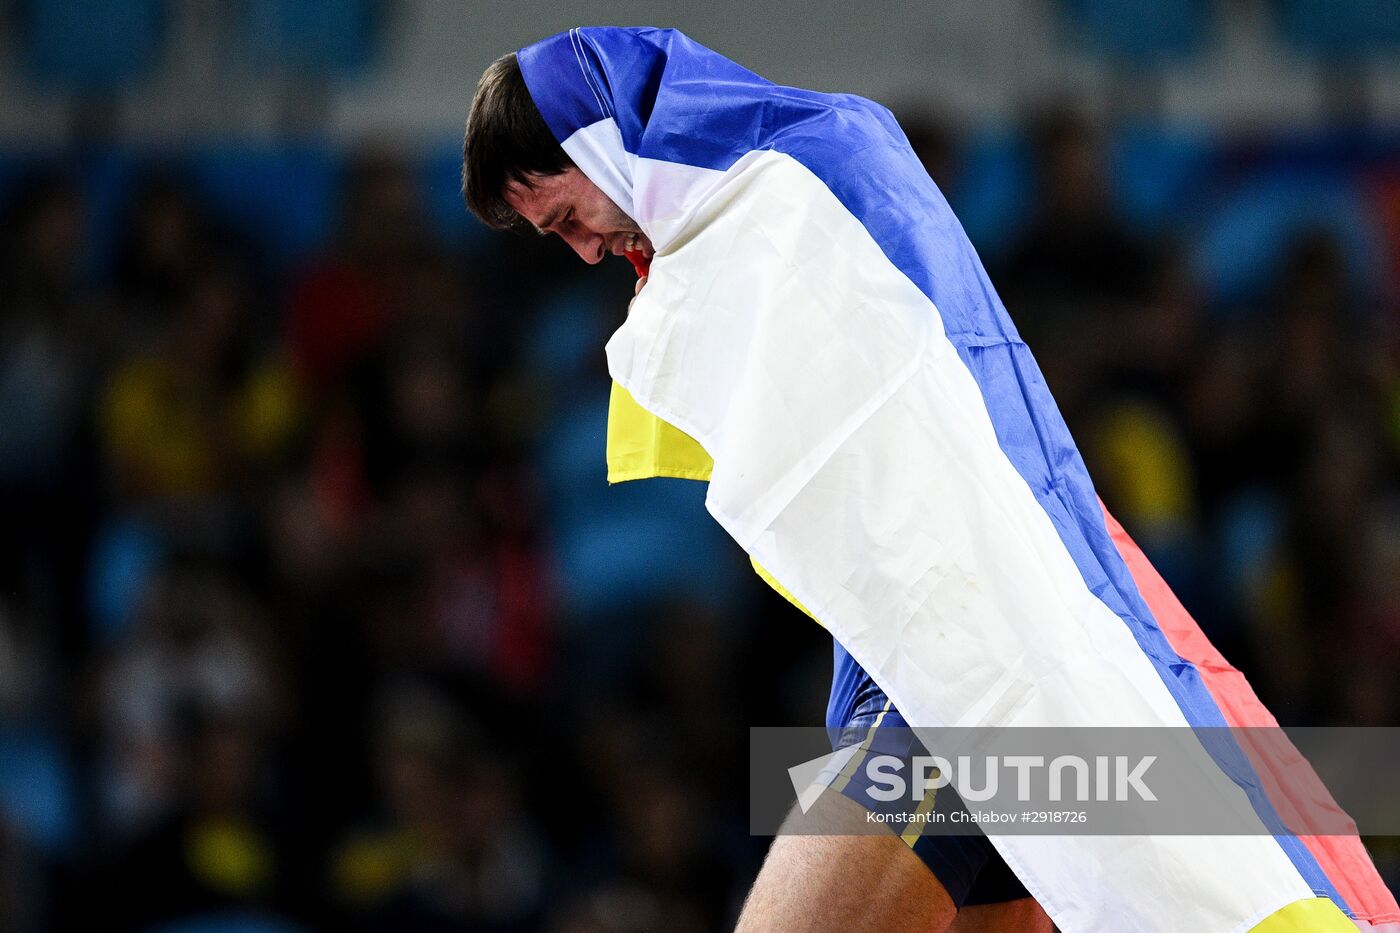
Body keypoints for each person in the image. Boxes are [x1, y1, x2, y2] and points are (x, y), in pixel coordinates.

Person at [461, 27, 1396, 933]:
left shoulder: (792, 180)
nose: (584, 250)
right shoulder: (799, 176)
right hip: (961, 672)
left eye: (566, 216)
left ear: (603, 141)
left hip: (955, 692)